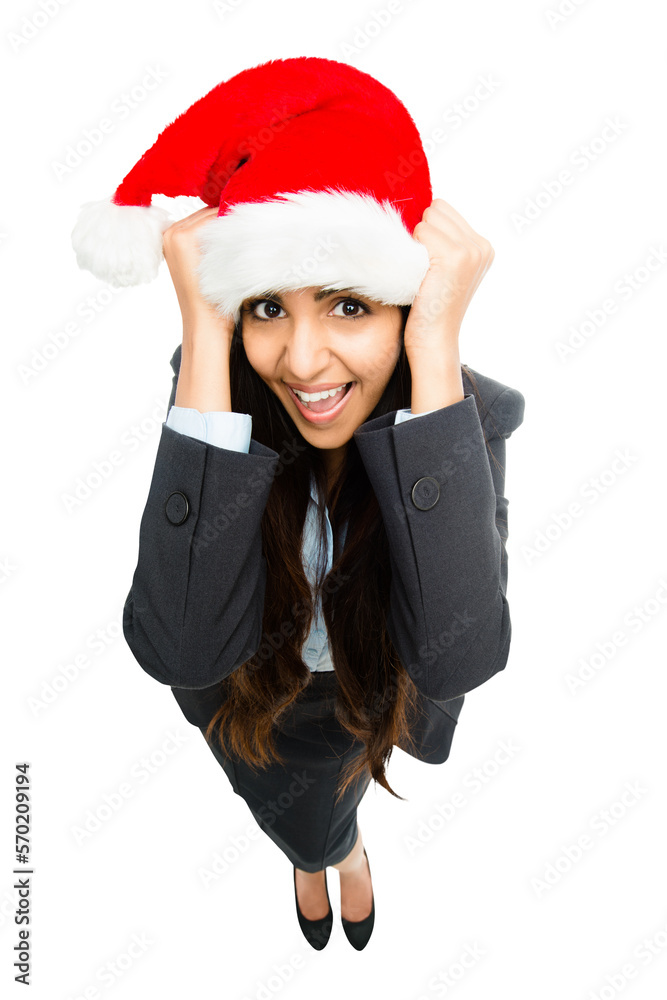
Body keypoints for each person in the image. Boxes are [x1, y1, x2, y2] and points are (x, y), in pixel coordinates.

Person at [71, 56, 525, 951]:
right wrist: (204, 325)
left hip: (361, 704)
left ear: (406, 305)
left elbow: (460, 653)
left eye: (351, 305)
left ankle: (335, 848)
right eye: (266, 307)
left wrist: (436, 347)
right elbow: (184, 646)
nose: (303, 362)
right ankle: (316, 850)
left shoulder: (460, 426)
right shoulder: (216, 410)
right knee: (284, 810)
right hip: (248, 709)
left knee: (331, 804)